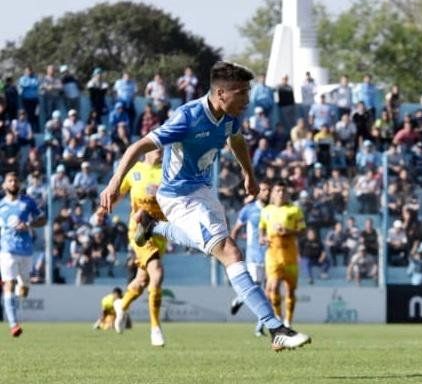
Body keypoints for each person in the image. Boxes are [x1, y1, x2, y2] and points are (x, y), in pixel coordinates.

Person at [99, 61, 310, 351]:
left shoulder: (230, 115)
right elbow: (136, 147)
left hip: (204, 191)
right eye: (242, 94)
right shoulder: (187, 117)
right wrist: (113, 183)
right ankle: (275, 327)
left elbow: (236, 140)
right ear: (221, 93)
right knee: (229, 251)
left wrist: (249, 174)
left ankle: (152, 226)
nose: (247, 101)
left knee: (211, 246)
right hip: (178, 197)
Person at [102, 148, 168, 346]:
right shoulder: (134, 170)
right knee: (157, 273)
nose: (160, 148)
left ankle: (121, 304)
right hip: (139, 230)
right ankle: (155, 328)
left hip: (160, 230)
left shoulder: (168, 171)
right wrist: (101, 209)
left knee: (142, 281)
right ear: (146, 150)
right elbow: (117, 194)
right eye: (156, 145)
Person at [0, 172, 46, 337]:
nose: (13, 183)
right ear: (4, 185)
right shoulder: (1, 205)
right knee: (9, 283)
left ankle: (22, 286)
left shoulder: (27, 202)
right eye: (9, 180)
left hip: (26, 250)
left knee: (24, 289)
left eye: (15, 180)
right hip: (7, 251)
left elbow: (43, 219)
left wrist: (28, 224)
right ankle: (13, 324)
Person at [259, 179, 306, 329]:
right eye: (278, 191)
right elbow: (262, 228)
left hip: (290, 253)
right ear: (273, 193)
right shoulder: (266, 210)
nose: (281, 194)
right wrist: (262, 237)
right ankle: (278, 318)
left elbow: (303, 230)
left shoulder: (294, 210)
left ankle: (288, 321)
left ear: (287, 194)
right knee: (272, 287)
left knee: (290, 290)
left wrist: (288, 231)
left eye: (283, 191)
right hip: (273, 253)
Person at [230, 183, 271, 336]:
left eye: (269, 190)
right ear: (258, 192)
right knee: (256, 287)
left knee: (269, 291)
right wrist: (232, 248)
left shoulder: (273, 210)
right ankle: (240, 299)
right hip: (254, 254)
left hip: (271, 254)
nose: (267, 192)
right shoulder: (248, 209)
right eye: (265, 189)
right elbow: (236, 229)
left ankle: (260, 326)